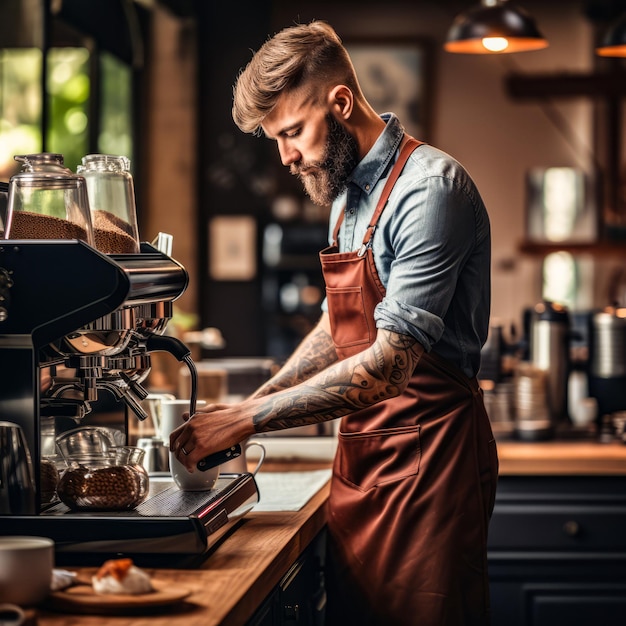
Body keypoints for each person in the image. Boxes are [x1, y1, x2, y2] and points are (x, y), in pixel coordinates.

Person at [171, 20, 498, 626]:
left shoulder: (430, 190)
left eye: (293, 132)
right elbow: (337, 326)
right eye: (276, 139)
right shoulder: (346, 193)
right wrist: (257, 402)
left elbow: (389, 365)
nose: (287, 157)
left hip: (432, 470)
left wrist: (245, 417)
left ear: (341, 102)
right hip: (362, 462)